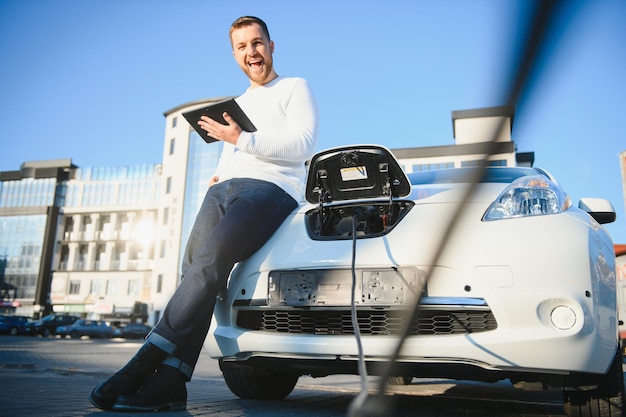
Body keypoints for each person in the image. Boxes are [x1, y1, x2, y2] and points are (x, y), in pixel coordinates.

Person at [89, 15, 319, 412]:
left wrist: (239, 139)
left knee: (212, 262)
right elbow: (236, 153)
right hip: (223, 190)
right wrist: (222, 169)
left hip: (271, 189)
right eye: (243, 46)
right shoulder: (239, 104)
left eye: (257, 43)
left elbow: (302, 145)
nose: (252, 52)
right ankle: (173, 382)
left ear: (271, 45)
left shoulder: (294, 86)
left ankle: (144, 362)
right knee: (193, 268)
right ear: (235, 55)